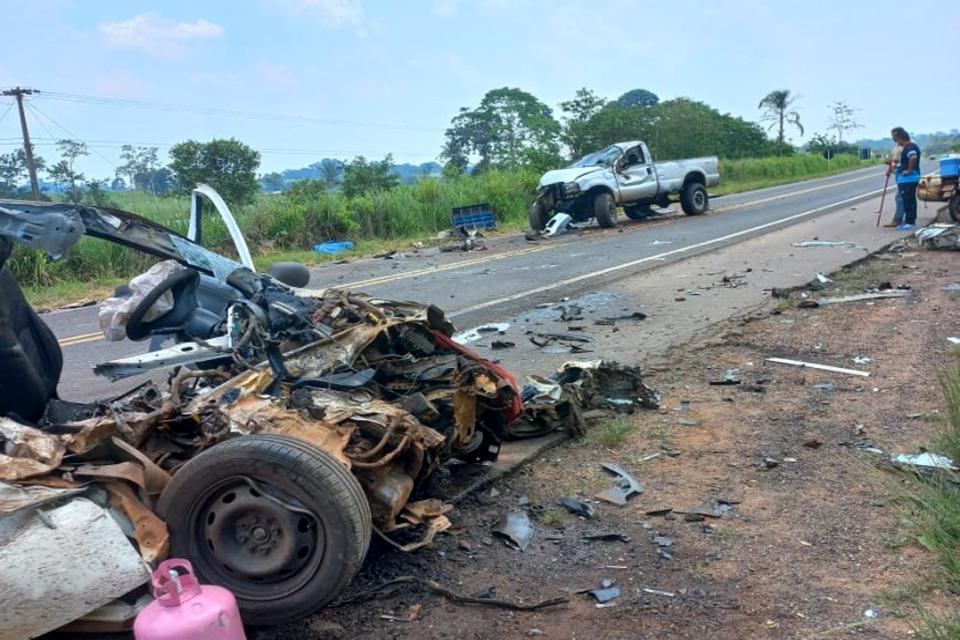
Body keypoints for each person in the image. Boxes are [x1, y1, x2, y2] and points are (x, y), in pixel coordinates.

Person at [888, 127, 921, 231]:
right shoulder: (906, 147)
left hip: (909, 179)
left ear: (900, 137)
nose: (895, 141)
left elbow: (913, 157)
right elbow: (904, 163)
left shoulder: (910, 147)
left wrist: (909, 170)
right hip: (905, 179)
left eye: (895, 138)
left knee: (909, 201)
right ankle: (907, 221)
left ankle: (910, 222)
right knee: (907, 200)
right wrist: (896, 168)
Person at [882, 142, 905, 227]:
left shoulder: (902, 149)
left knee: (900, 198)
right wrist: (891, 169)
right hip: (903, 178)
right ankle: (903, 219)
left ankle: (898, 219)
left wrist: (891, 168)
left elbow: (898, 163)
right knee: (904, 198)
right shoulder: (897, 148)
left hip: (904, 179)